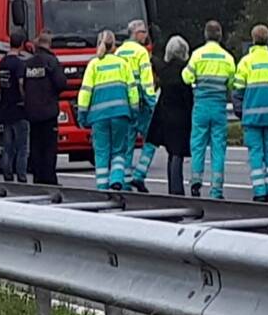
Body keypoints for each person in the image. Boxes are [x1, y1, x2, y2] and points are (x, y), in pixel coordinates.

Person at [77, 29, 139, 191]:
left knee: (101, 153)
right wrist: (134, 112)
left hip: (98, 117)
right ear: (115, 46)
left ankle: (102, 187)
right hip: (120, 114)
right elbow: (132, 91)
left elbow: (85, 92)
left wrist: (82, 115)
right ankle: (117, 179)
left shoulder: (93, 65)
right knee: (119, 150)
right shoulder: (123, 64)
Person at [182, 20, 236, 199]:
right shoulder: (227, 58)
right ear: (220, 36)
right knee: (218, 147)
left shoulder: (198, 55)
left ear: (205, 35)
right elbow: (232, 83)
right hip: (219, 106)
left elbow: (186, 77)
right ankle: (217, 189)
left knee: (198, 144)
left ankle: (196, 181)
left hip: (201, 105)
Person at [233, 25, 268, 202]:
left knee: (256, 154)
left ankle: (259, 191)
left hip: (252, 118)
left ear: (253, 39)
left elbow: (238, 89)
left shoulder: (246, 62)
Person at [145, 36, 194, 195]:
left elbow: (155, 62)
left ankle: (172, 187)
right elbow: (188, 96)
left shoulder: (164, 70)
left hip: (164, 116)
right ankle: (177, 189)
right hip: (181, 116)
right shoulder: (185, 71)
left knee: (171, 153)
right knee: (177, 153)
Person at [117, 19, 157, 192]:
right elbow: (147, 82)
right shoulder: (141, 53)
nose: (146, 36)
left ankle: (125, 181)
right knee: (152, 139)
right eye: (144, 33)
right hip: (141, 104)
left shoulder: (119, 52)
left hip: (124, 103)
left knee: (127, 143)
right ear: (137, 33)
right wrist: (152, 103)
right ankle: (139, 175)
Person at [24, 31, 67, 185]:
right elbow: (61, 83)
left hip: (32, 112)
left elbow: (23, 85)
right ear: (49, 44)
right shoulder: (51, 62)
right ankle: (49, 178)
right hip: (48, 111)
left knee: (35, 145)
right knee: (49, 146)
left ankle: (37, 177)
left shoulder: (28, 63)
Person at [0, 29, 30, 182]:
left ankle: (7, 173)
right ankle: (21, 175)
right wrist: (25, 99)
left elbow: (0, 85)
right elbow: (21, 83)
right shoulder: (19, 64)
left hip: (5, 107)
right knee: (22, 146)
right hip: (18, 108)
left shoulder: (2, 63)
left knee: (7, 146)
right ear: (22, 45)